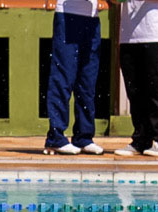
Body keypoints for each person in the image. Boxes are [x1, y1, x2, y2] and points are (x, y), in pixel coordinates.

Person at [112, 0, 158, 158]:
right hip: (129, 34)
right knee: (134, 89)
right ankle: (141, 140)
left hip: (157, 31)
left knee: (155, 86)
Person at [42, 0, 104, 155]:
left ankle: (84, 137)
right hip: (68, 14)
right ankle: (56, 137)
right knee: (63, 77)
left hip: (92, 18)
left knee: (87, 80)